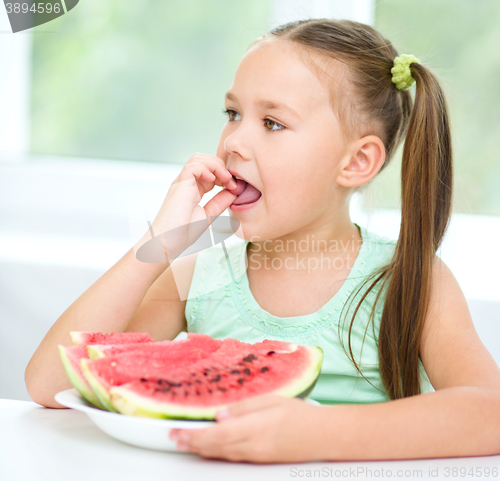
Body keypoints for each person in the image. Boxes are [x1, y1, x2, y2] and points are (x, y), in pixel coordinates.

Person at [25, 18, 500, 463]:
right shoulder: (195, 278)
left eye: (273, 123)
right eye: (232, 112)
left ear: (356, 162)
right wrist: (158, 245)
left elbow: (491, 414)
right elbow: (50, 385)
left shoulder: (410, 283)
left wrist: (314, 435)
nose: (232, 141)